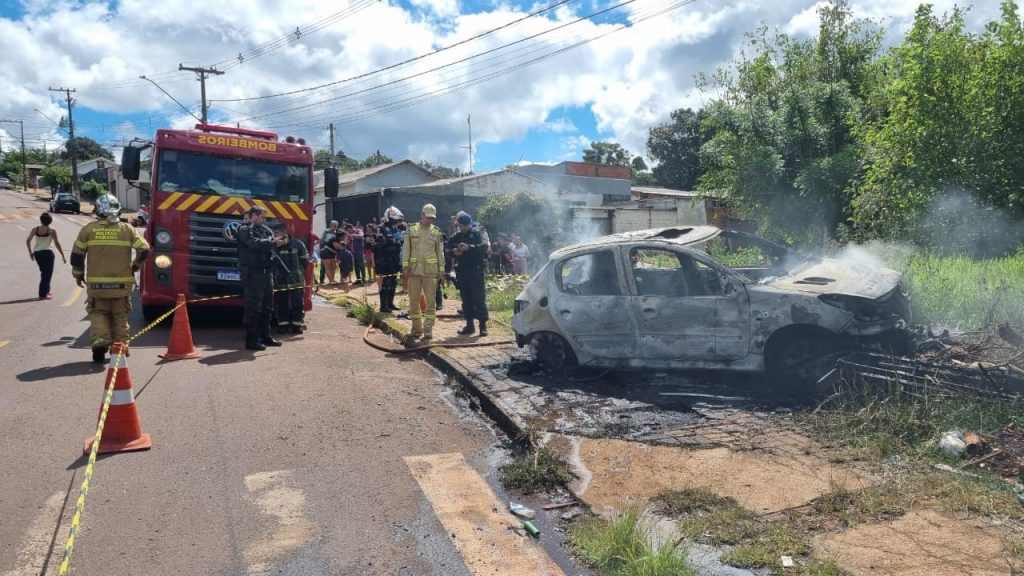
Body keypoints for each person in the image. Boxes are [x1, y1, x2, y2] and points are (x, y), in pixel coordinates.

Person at [70, 194, 149, 363]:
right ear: (118, 210)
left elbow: (77, 256)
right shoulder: (127, 229)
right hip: (121, 285)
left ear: (97, 210)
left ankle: (99, 342)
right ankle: (119, 347)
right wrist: (135, 266)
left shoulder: (88, 230)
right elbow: (144, 250)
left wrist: (78, 274)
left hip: (97, 286)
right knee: (120, 316)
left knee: (99, 313)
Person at [238, 205, 286, 351]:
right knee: (254, 308)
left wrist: (279, 242)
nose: (265, 220)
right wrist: (272, 242)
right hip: (253, 273)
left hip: (266, 272)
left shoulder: (266, 230)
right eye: (262, 217)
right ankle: (252, 340)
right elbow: (253, 243)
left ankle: (266, 336)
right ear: (253, 215)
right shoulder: (244, 229)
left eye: (265, 217)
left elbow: (271, 245)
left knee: (267, 307)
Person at [402, 204, 445, 342]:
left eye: (432, 218)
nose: (430, 220)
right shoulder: (411, 230)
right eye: (428, 217)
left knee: (430, 302)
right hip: (414, 272)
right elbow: (406, 249)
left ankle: (428, 330)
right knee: (413, 302)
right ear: (422, 215)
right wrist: (405, 266)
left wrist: (442, 271)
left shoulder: (436, 232)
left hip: (430, 272)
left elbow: (440, 253)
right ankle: (416, 329)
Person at [450, 211, 490, 336]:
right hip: (462, 271)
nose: (462, 228)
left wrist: (469, 247)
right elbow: (446, 248)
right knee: (466, 299)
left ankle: (483, 326)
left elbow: (484, 247)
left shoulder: (477, 233)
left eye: (464, 225)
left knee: (479, 298)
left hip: (476, 270)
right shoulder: (456, 236)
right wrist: (453, 251)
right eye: (460, 226)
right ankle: (469, 325)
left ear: (469, 224)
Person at [270, 223, 308, 334]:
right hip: (280, 280)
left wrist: (298, 273)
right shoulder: (272, 246)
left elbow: (304, 261)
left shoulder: (298, 244)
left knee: (298, 303)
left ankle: (297, 326)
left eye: (276, 233)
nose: (274, 236)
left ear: (284, 233)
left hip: (296, 280)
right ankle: (283, 326)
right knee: (281, 304)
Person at [26, 212, 67, 300]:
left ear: (41, 221)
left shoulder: (35, 229)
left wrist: (30, 252)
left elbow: (28, 240)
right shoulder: (52, 231)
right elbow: (57, 243)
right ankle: (42, 294)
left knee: (44, 273)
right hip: (48, 253)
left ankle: (47, 291)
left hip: (37, 253)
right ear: (50, 221)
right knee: (47, 274)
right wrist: (63, 255)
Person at [373, 206, 404, 312]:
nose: (395, 222)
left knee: (394, 282)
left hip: (394, 259)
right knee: (386, 283)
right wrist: (391, 241)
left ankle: (390, 304)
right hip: (384, 260)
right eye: (393, 220)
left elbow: (398, 242)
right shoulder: (380, 228)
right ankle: (383, 306)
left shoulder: (395, 228)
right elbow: (378, 243)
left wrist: (399, 241)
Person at [319, 220, 340, 285]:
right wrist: (321, 248)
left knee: (333, 266)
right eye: (334, 226)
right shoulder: (326, 231)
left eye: (336, 226)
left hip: (332, 251)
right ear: (331, 225)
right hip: (325, 249)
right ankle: (322, 280)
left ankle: (332, 279)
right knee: (324, 266)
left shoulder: (336, 233)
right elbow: (322, 240)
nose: (335, 227)